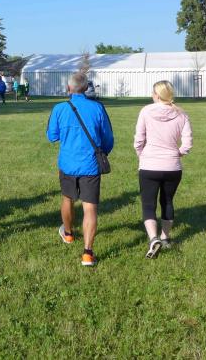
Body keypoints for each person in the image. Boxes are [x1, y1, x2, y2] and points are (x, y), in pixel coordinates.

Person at [46, 72, 114, 267]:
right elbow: (108, 139)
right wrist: (103, 152)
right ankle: (87, 253)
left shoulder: (59, 108)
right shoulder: (98, 108)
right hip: (90, 165)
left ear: (69, 88)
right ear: (85, 88)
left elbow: (51, 136)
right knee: (90, 207)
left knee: (67, 198)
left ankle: (68, 234)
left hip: (68, 163)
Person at [134, 80, 193, 258]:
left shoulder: (146, 111)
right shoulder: (181, 114)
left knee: (148, 204)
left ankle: (153, 238)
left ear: (157, 95)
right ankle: (165, 238)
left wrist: (141, 154)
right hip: (172, 167)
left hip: (149, 165)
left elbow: (139, 139)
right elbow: (187, 143)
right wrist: (178, 153)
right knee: (167, 201)